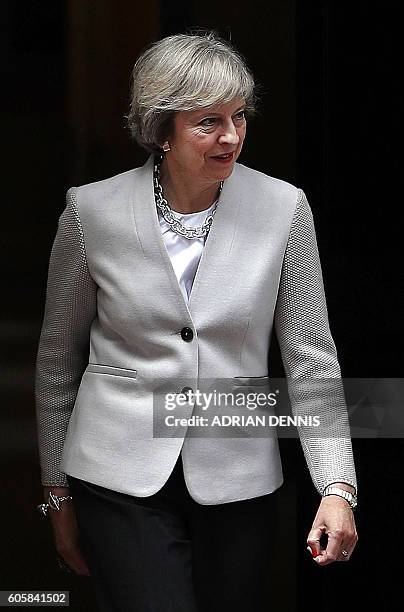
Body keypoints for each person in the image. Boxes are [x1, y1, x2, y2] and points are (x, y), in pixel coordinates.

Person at [35, 31, 358, 611]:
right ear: (162, 129)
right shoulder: (90, 213)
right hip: (117, 475)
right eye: (208, 122)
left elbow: (312, 356)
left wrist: (337, 487)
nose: (231, 136)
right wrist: (56, 495)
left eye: (239, 117)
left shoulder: (285, 209)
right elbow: (58, 361)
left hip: (240, 477)